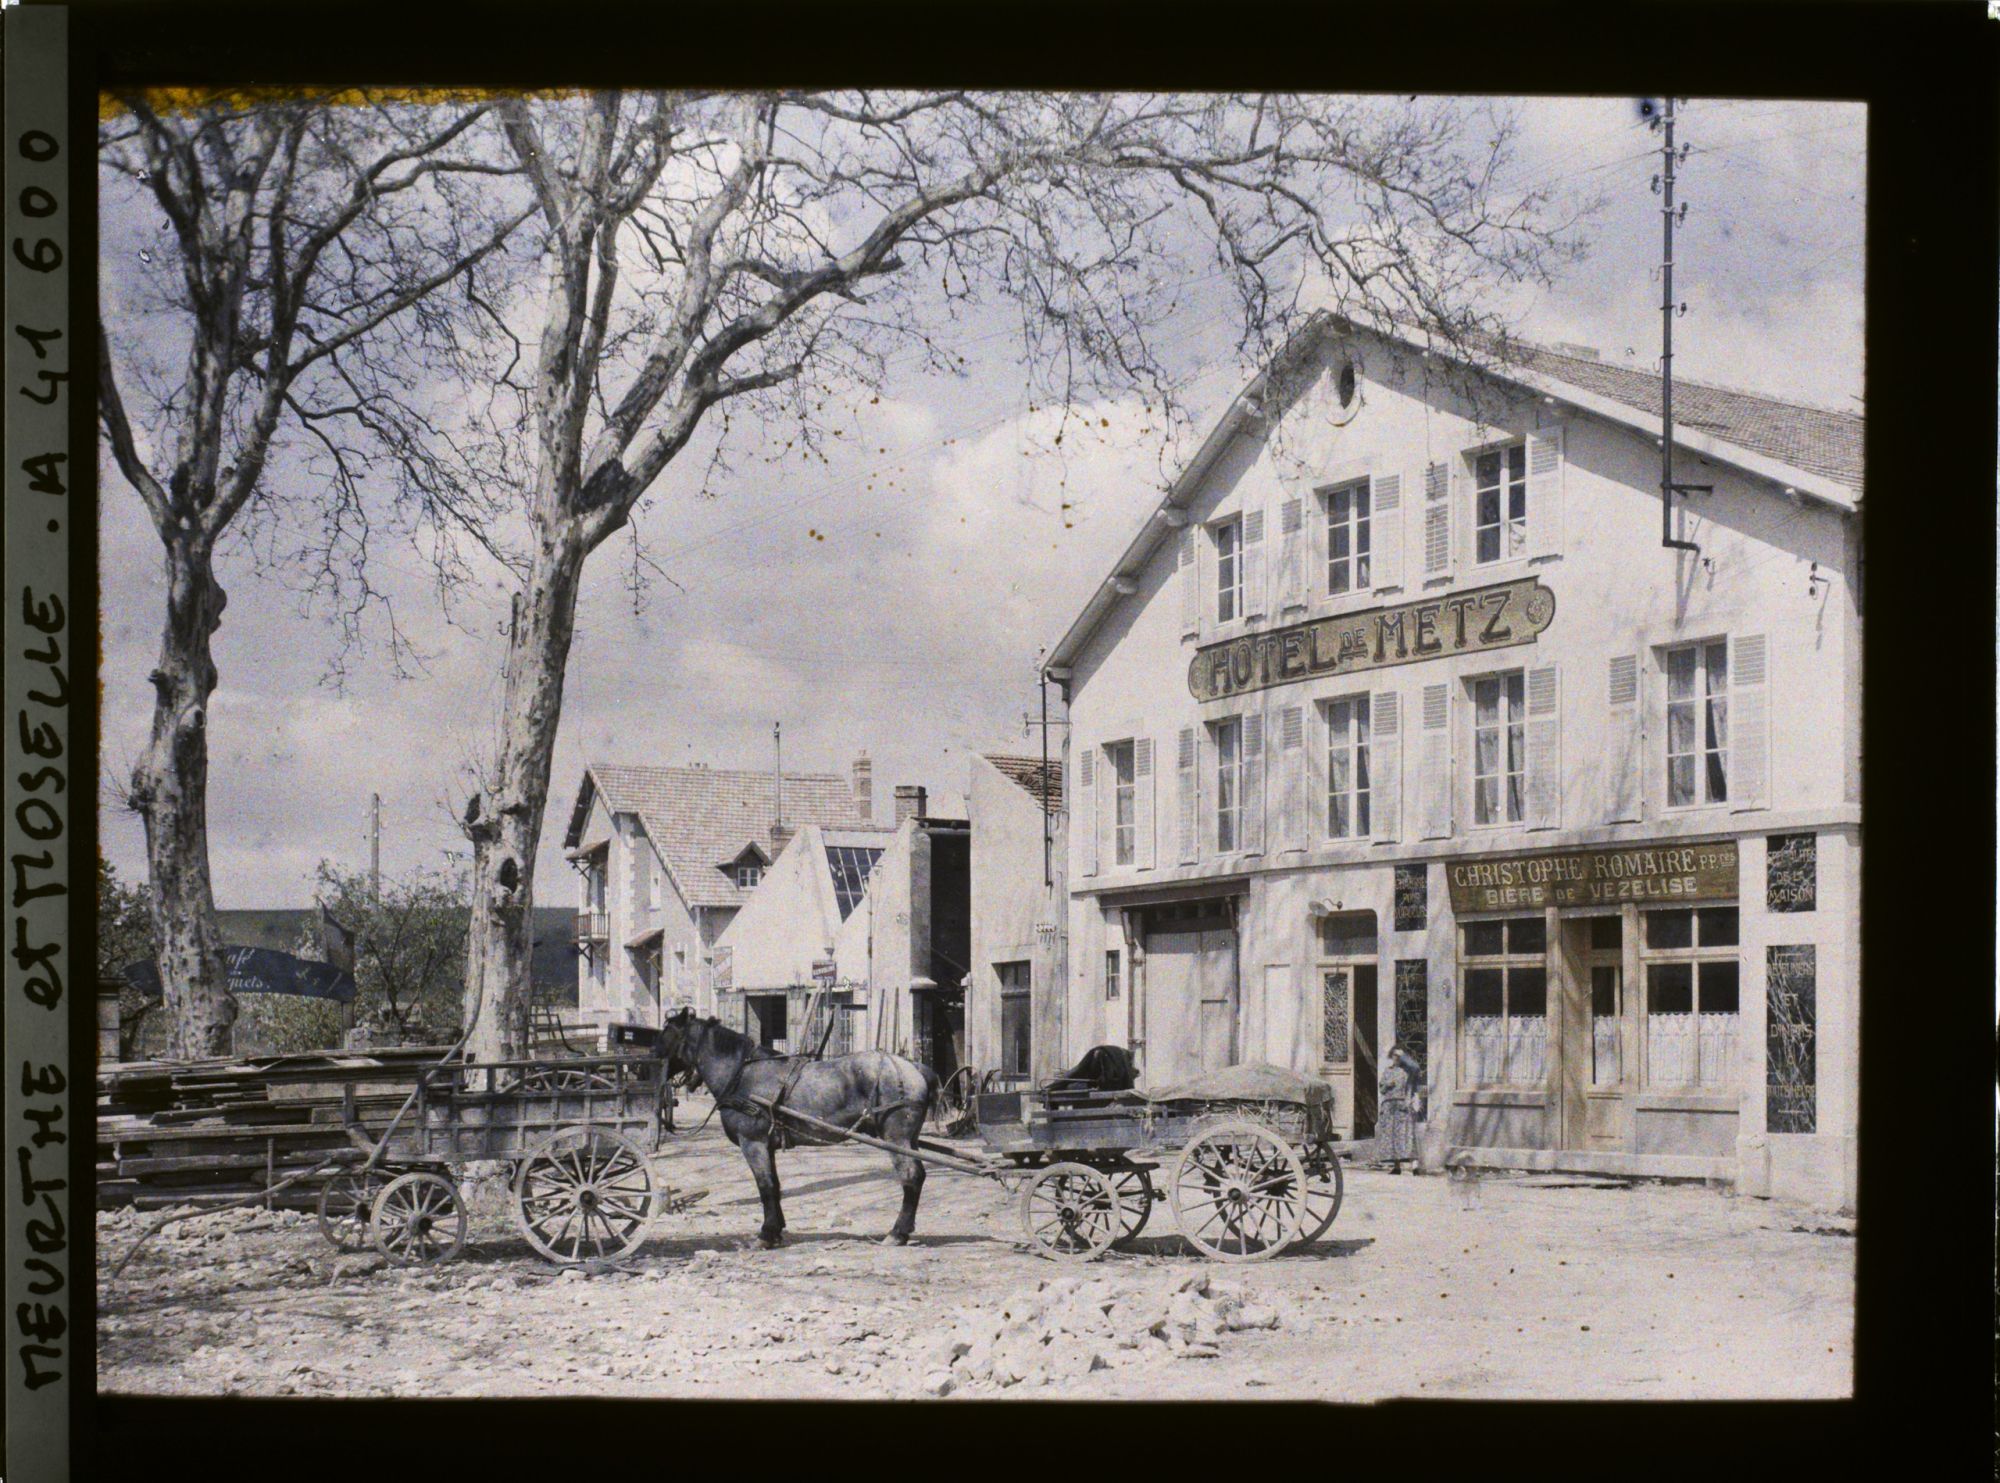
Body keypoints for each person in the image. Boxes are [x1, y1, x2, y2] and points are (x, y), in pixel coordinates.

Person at [1376, 1044, 1423, 1174]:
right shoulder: (1387, 1071)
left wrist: (1408, 1102)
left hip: (1403, 1104)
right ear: (1391, 1056)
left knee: (1407, 1135)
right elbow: (1382, 1090)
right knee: (1392, 1136)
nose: (1396, 1058)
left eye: (1399, 1056)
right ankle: (1397, 1167)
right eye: (1394, 1055)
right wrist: (1387, 1084)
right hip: (1389, 1106)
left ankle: (1415, 1167)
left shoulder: (1408, 1071)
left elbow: (1411, 1087)